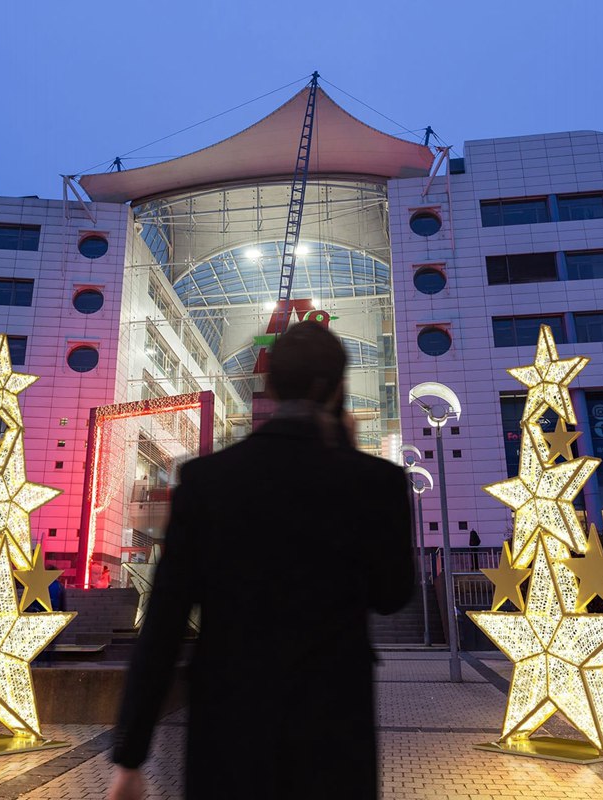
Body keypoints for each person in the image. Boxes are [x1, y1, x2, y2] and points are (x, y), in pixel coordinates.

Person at [108, 322, 414, 800]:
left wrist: (130, 756)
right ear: (336, 388)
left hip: (228, 730)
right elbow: (393, 595)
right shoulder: (377, 482)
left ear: (268, 387)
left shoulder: (207, 482)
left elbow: (164, 625)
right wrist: (350, 457)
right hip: (334, 733)